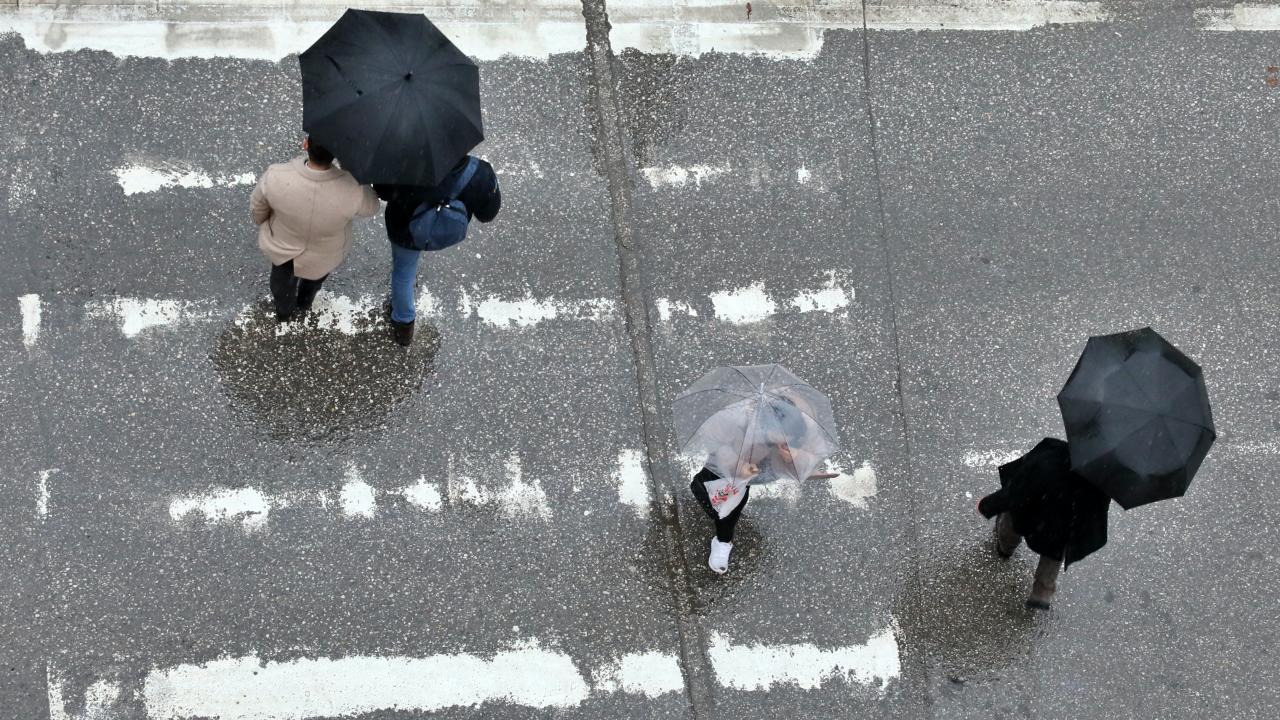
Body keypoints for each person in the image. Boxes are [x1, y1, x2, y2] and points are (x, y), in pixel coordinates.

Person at [374, 155, 501, 346]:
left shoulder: (403, 164)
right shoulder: (481, 172)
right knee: (405, 272)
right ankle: (403, 326)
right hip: (445, 228)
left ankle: (404, 326)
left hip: (405, 230)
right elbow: (487, 214)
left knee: (403, 273)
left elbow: (382, 191)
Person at [250, 137, 380, 322]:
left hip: (283, 248)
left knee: (281, 284)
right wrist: (353, 171)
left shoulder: (276, 175)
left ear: (306, 144)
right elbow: (372, 206)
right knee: (313, 282)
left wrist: (262, 221)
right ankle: (305, 303)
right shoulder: (353, 187)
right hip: (325, 254)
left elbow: (258, 209)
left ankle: (284, 313)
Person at [977, 437, 1111, 610]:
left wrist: (987, 505)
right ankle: (1042, 593)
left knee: (1011, 522)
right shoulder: (1101, 480)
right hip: (1062, 528)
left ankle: (1005, 548)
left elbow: (1017, 491)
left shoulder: (1051, 454)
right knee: (1053, 554)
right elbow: (1096, 513)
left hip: (1031, 515)